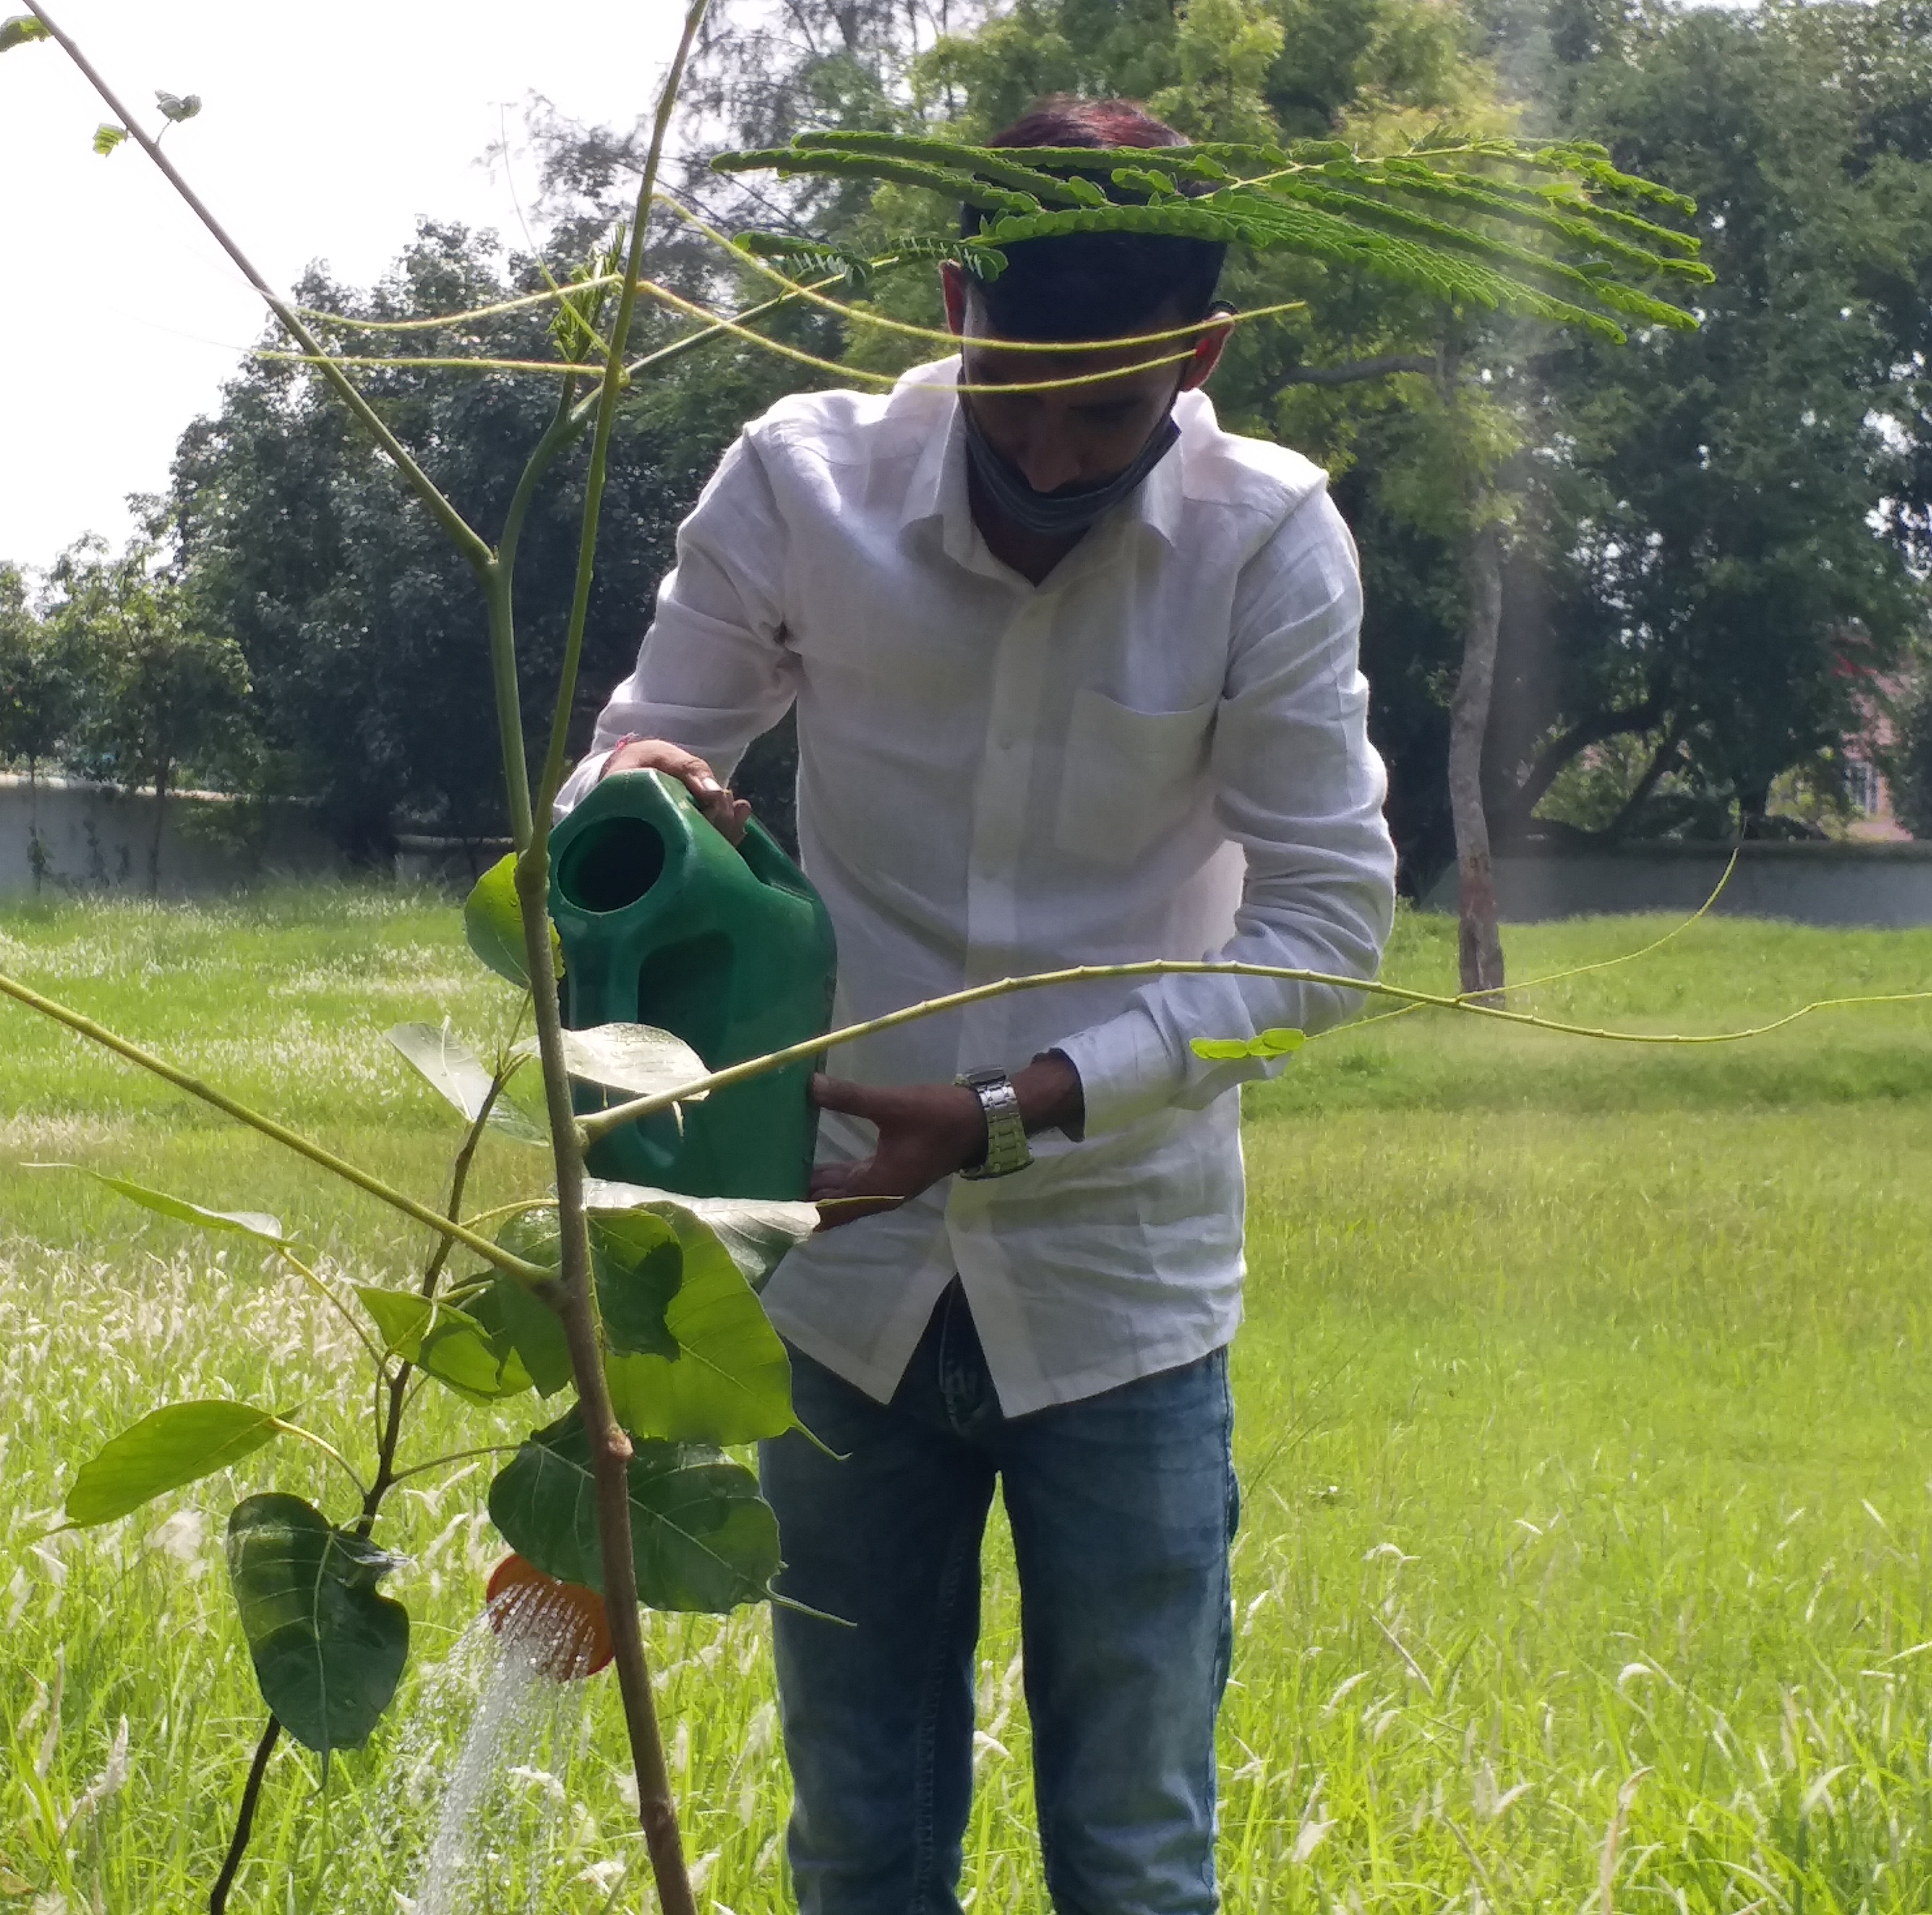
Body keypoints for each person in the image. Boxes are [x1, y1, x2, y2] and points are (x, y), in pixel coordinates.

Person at [552, 97, 1397, 1915]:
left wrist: (1022, 1106)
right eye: (1021, 388)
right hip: (836, 1272)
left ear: (1205, 354)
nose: (1057, 450)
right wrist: (649, 800)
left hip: (1119, 1284)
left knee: (1138, 1844)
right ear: (958, 304)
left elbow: (1328, 930)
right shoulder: (803, 483)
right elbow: (620, 763)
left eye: (1115, 409)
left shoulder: (1266, 542)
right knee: (859, 1836)